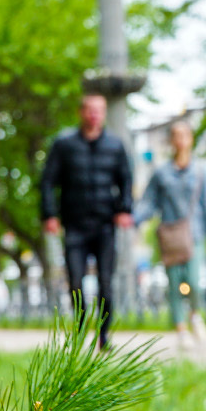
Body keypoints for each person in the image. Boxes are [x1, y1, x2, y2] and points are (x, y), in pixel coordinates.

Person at [40, 94, 134, 350]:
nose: (94, 115)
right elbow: (48, 181)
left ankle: (103, 336)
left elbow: (126, 180)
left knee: (106, 282)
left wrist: (125, 209)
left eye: (99, 111)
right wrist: (49, 215)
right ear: (81, 112)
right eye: (90, 110)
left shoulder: (115, 145)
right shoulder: (64, 144)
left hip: (105, 226)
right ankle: (80, 333)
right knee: (76, 282)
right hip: (75, 226)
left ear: (103, 114)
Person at [134, 120, 206, 348]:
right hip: (171, 236)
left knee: (194, 280)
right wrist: (132, 219)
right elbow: (148, 202)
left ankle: (195, 313)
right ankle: (181, 329)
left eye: (185, 134)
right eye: (176, 135)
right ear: (171, 141)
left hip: (195, 234)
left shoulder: (204, 170)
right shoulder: (161, 173)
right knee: (174, 283)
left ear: (191, 139)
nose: (181, 139)